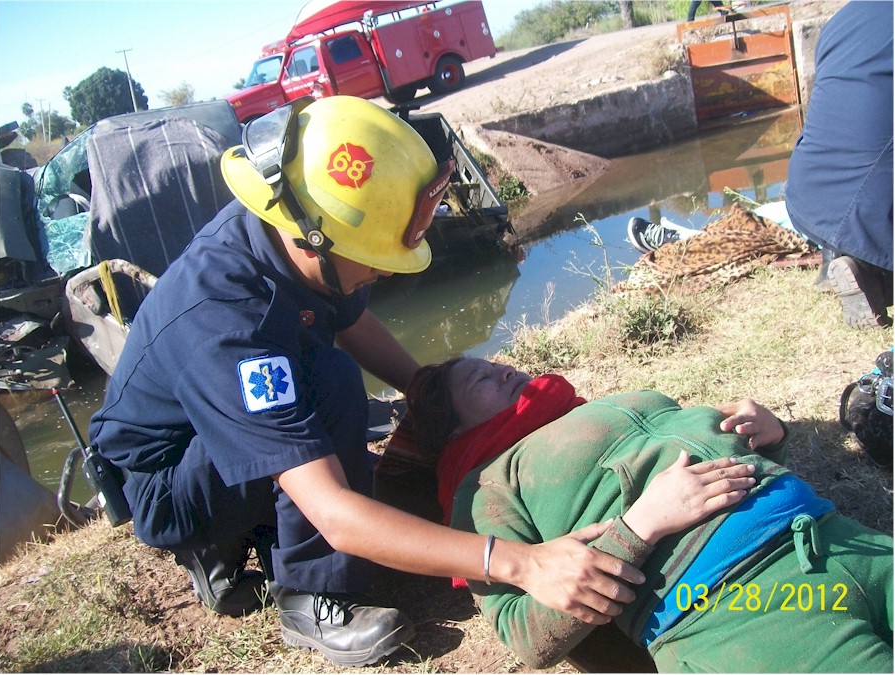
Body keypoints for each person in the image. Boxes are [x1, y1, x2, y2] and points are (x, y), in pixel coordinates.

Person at [86, 96, 647, 668]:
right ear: (316, 242)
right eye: (374, 259)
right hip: (167, 485)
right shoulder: (226, 324)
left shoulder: (293, 221)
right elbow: (334, 512)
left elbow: (351, 319)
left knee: (323, 376)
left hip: (221, 426)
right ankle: (308, 592)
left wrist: (430, 388)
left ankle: (269, 527)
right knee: (326, 380)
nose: (382, 271)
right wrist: (522, 563)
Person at [406, 357, 894, 672]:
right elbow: (524, 636)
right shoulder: (486, 486)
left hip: (832, 535)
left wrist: (769, 437)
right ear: (457, 433)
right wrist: (640, 527)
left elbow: (716, 478)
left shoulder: (603, 406)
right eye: (481, 379)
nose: (504, 369)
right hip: (738, 606)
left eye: (496, 363)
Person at [784, 1, 893, 329]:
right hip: (869, 199)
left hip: (805, 195)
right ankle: (874, 271)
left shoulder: (845, 18)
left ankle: (846, 258)